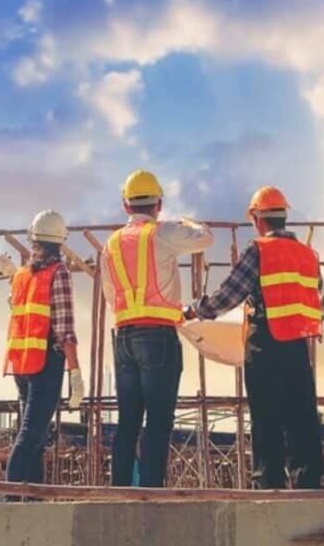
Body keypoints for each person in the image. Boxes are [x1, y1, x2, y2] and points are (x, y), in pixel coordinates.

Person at [184, 186, 324, 489]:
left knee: (266, 414)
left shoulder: (258, 250)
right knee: (301, 413)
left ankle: (269, 482)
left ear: (257, 219)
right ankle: (308, 481)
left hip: (265, 343)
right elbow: (321, 307)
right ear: (284, 217)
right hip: (298, 345)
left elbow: (228, 295)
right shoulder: (308, 255)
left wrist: (196, 310)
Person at [102, 170, 214, 487]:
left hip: (123, 336)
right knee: (158, 421)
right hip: (158, 336)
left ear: (126, 207)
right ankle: (151, 492)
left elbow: (111, 295)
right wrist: (189, 221)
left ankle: (119, 490)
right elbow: (206, 239)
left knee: (128, 422)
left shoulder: (109, 244)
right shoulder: (161, 233)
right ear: (159, 204)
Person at [4, 210, 84, 488]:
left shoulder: (21, 275)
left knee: (37, 439)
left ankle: (30, 501)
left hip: (21, 365)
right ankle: (7, 500)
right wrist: (74, 371)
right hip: (45, 362)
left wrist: (10, 278)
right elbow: (64, 329)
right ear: (60, 242)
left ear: (33, 239)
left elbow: (16, 309)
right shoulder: (58, 272)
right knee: (30, 434)